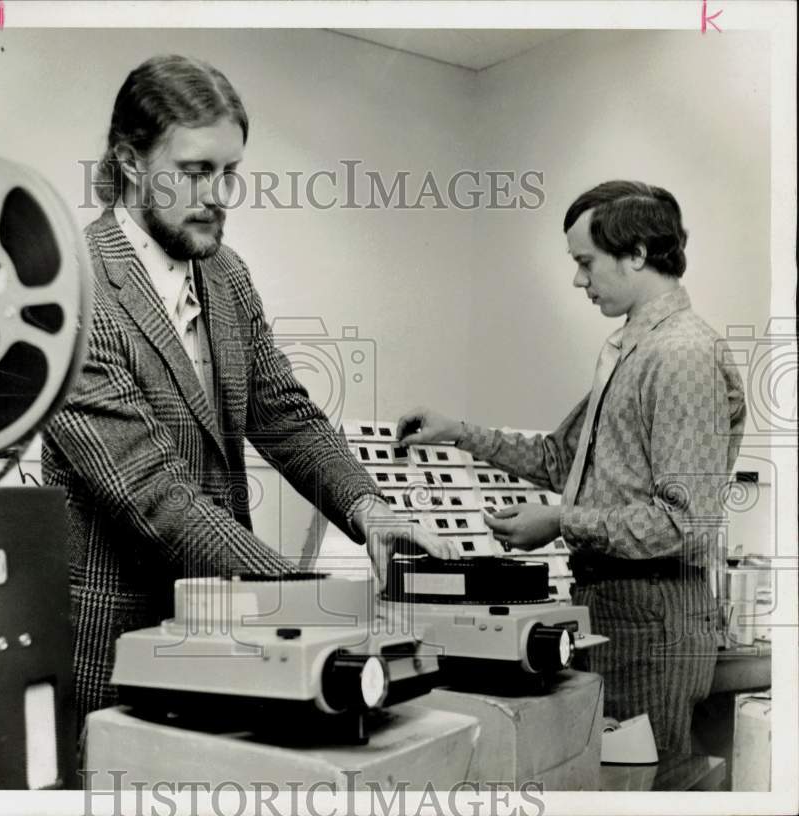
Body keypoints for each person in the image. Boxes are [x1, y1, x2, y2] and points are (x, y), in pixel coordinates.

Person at [42, 54, 455, 723]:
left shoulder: (227, 274)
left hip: (235, 645)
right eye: (196, 171)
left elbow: (284, 414)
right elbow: (154, 495)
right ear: (129, 162)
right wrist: (308, 597)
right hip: (120, 658)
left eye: (229, 173)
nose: (218, 196)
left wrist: (370, 511)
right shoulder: (68, 291)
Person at [397, 180, 746, 754]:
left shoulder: (682, 354)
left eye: (586, 262)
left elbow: (684, 522)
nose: (578, 280)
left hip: (652, 620)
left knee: (638, 784)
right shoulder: (632, 348)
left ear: (636, 254)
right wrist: (457, 432)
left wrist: (561, 523)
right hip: (615, 607)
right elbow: (562, 458)